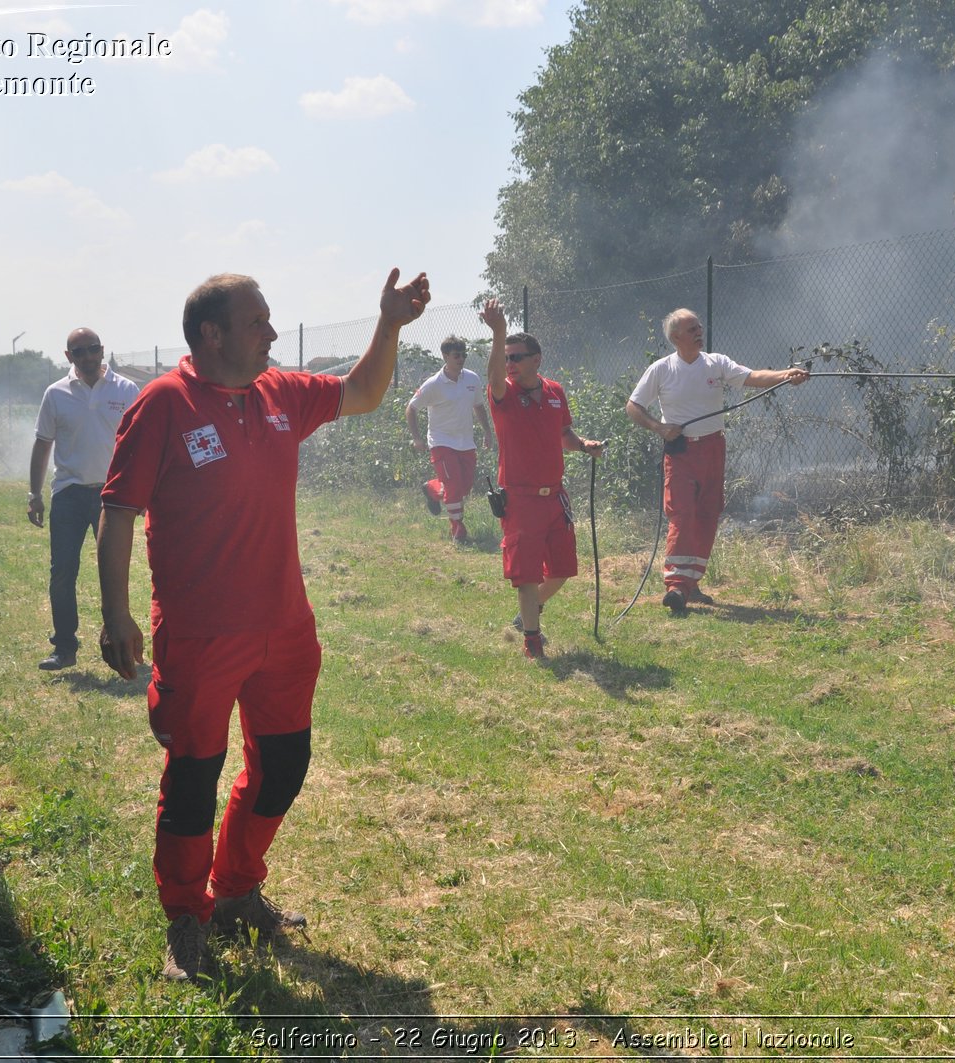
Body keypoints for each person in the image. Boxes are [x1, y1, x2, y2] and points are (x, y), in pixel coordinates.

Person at [98, 268, 429, 981]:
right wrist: (115, 610)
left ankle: (238, 889)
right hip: (200, 634)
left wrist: (390, 324)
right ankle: (186, 918)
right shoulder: (164, 405)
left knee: (284, 765)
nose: (273, 334)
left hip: (285, 629)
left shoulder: (281, 393)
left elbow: (365, 393)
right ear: (212, 334)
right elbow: (119, 509)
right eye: (258, 323)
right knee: (193, 776)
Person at [625, 308, 806, 614]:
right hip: (681, 453)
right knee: (681, 515)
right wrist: (660, 428)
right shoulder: (661, 369)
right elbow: (633, 406)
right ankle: (676, 587)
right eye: (691, 328)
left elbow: (752, 377)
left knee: (707, 514)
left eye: (699, 327)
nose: (699, 331)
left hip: (713, 449)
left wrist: (786, 375)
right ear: (675, 337)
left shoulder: (716, 363)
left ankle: (691, 584)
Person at [480, 298, 604, 659]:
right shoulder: (502, 392)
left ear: (537, 359)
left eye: (516, 356)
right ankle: (532, 640)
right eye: (507, 357)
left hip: (555, 498)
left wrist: (584, 446)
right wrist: (499, 331)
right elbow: (492, 377)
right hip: (519, 499)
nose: (510, 364)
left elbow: (565, 435)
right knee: (527, 575)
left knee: (563, 570)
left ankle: (527, 614)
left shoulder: (555, 392)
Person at [27, 328, 139, 671]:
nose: (88, 356)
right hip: (69, 493)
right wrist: (35, 494)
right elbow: (43, 444)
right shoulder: (56, 394)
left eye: (93, 349)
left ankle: (122, 642)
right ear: (68, 356)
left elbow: (139, 442)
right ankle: (64, 648)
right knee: (62, 571)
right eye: (80, 352)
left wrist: (142, 489)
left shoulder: (126, 390)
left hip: (114, 494)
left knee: (115, 571)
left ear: (102, 350)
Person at [406, 335, 493, 542]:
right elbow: (411, 409)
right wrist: (417, 438)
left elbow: (479, 406)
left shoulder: (472, 378)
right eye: (456, 355)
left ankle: (432, 488)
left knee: (464, 486)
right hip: (441, 442)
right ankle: (458, 529)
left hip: (466, 442)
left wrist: (488, 432)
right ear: (445, 356)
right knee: (454, 486)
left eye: (464, 355)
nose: (461, 359)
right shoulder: (433, 384)